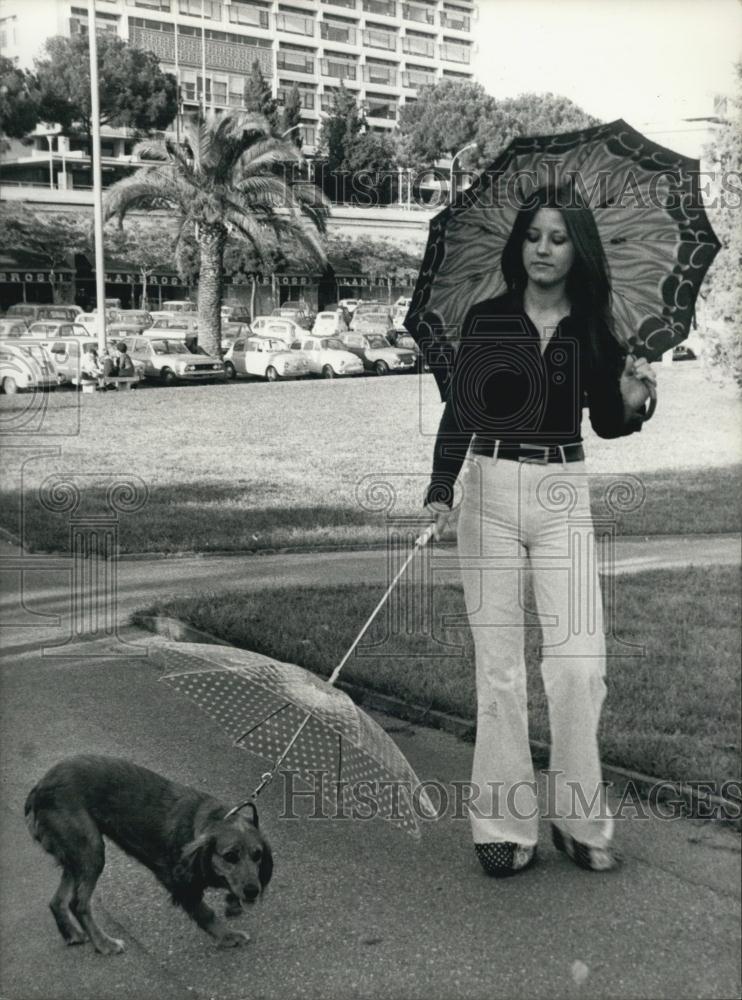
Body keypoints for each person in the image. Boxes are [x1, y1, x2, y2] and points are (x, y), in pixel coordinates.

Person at [424, 184, 656, 877]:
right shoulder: (490, 319)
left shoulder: (596, 327)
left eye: (559, 237)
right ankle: (503, 826)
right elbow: (460, 413)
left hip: (562, 491)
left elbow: (609, 424)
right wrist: (440, 493)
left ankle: (581, 822)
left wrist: (639, 400)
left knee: (580, 667)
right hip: (489, 492)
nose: (545, 249)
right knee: (498, 671)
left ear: (576, 248)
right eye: (535, 236)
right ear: (519, 245)